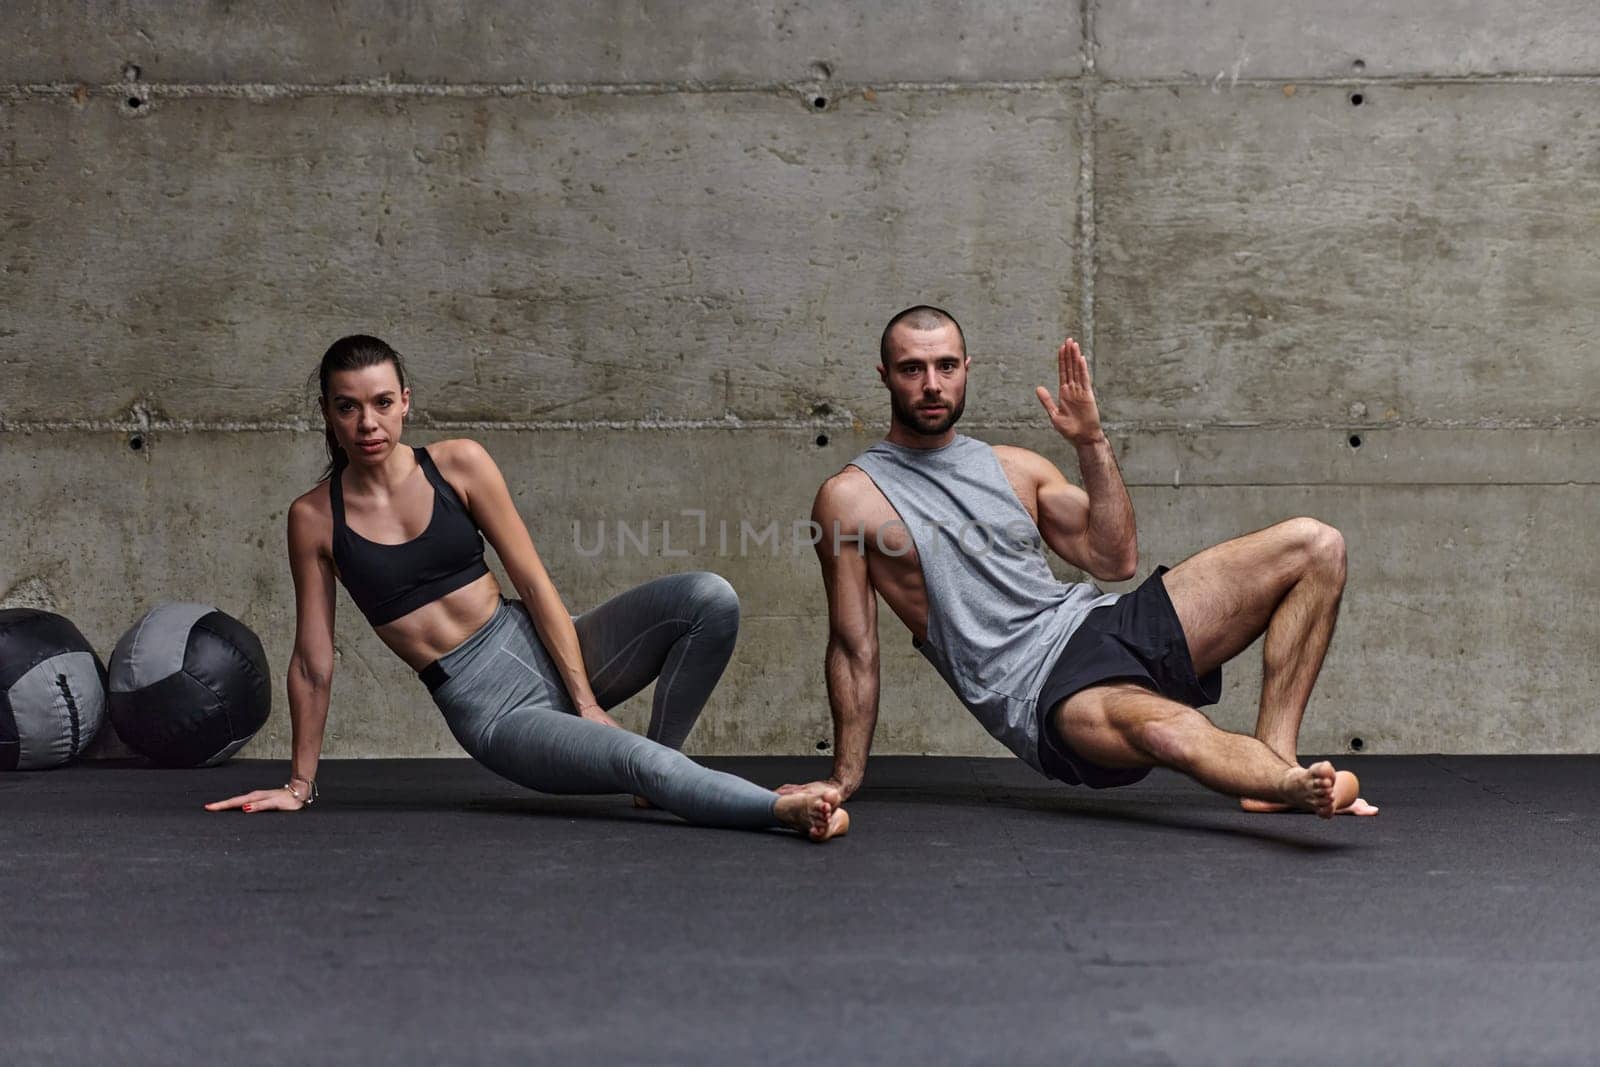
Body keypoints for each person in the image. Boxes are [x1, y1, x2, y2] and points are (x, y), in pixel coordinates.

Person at [207, 335, 848, 841]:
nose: (367, 423)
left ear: (406, 400)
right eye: (347, 406)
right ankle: (781, 810)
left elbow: (534, 583)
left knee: (709, 599)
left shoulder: (458, 464)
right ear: (328, 412)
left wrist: (585, 700)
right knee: (634, 759)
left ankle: (667, 771)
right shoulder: (315, 518)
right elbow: (314, 662)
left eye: (380, 403)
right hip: (495, 711)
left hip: (541, 643)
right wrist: (299, 783)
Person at [786, 305, 1377, 818]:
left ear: (967, 370)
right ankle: (1287, 784)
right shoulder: (851, 498)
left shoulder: (1013, 467)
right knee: (1168, 730)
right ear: (886, 377)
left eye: (946, 366)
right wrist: (844, 776)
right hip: (1041, 687)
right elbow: (853, 645)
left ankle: (1277, 761)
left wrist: (1091, 443)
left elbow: (1114, 558)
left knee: (1316, 544)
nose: (932, 384)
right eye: (913, 369)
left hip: (1102, 621)